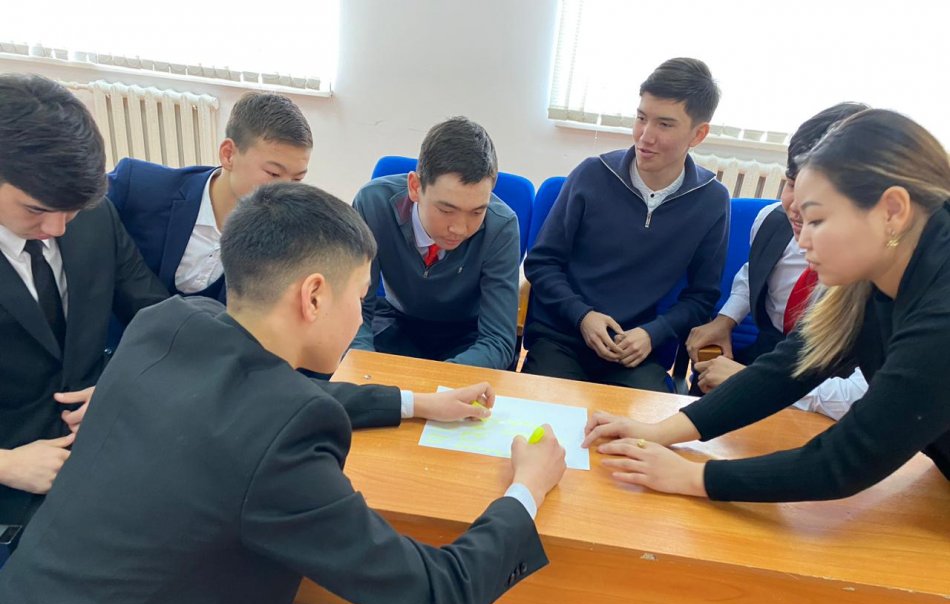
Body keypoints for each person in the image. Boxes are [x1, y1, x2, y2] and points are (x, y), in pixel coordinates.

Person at [0, 181, 567, 604]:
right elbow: (442, 594)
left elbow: (259, 402)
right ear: (313, 296)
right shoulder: (285, 440)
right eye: (361, 297)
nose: (361, 316)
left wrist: (418, 402)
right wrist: (527, 488)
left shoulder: (169, 323)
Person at [583, 109, 950, 502]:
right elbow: (785, 370)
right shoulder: (877, 273)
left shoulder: (940, 315)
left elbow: (848, 458)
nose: (803, 241)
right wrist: (658, 431)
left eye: (817, 221)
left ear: (892, 211)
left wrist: (694, 477)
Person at [0, 74, 168, 544]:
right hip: (14, 466)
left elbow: (156, 315)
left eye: (69, 211)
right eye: (35, 210)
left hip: (101, 439)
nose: (56, 228)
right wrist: (7, 465)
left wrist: (122, 385)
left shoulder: (93, 215)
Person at [522, 57, 729, 392]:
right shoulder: (592, 175)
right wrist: (582, 316)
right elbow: (541, 263)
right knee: (546, 417)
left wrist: (653, 333)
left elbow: (702, 297)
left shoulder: (711, 199)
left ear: (699, 134)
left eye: (664, 124)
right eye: (641, 118)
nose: (645, 136)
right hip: (562, 339)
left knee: (650, 424)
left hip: (635, 350)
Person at [686, 103, 869, 420]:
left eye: (818, 192)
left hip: (830, 390)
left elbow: (860, 398)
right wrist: (725, 320)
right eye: (791, 183)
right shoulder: (770, 221)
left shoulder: (877, 271)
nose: (796, 206)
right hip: (767, 356)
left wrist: (751, 382)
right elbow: (754, 272)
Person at [108, 91, 312, 302]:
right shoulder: (137, 187)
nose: (285, 191)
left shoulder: (281, 241)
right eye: (273, 173)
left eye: (297, 179)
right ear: (228, 155)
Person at [350, 116, 519, 370]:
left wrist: (437, 382)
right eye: (446, 210)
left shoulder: (501, 226)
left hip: (467, 336)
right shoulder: (373, 205)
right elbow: (355, 309)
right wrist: (364, 371)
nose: (459, 228)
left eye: (477, 212)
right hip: (396, 323)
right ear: (415, 187)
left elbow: (497, 340)